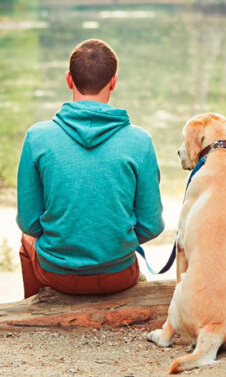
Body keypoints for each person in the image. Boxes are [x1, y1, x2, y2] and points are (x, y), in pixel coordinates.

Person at [16, 39, 164, 298]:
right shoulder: (140, 141)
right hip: (119, 275)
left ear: (69, 79)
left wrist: (66, 239)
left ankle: (35, 310)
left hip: (57, 274)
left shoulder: (37, 137)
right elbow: (151, 225)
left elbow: (29, 223)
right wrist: (114, 240)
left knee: (25, 242)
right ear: (114, 81)